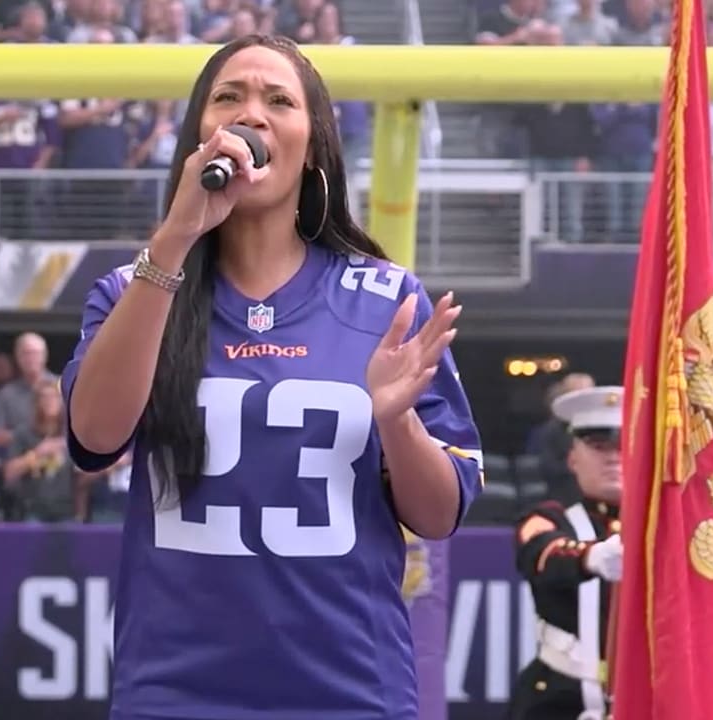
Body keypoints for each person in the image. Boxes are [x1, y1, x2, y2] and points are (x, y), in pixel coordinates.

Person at [62, 34, 484, 718]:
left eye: (278, 100)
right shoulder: (130, 293)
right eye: (228, 97)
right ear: (198, 135)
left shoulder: (384, 300)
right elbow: (94, 435)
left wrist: (395, 421)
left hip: (351, 694)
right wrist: (172, 240)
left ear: (313, 146)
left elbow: (438, 517)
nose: (250, 114)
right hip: (174, 694)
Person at [510, 386, 625, 720]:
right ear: (573, 457)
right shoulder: (548, 518)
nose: (614, 457)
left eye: (622, 446)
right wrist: (590, 558)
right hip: (558, 699)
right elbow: (541, 553)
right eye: (599, 446)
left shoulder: (662, 530)